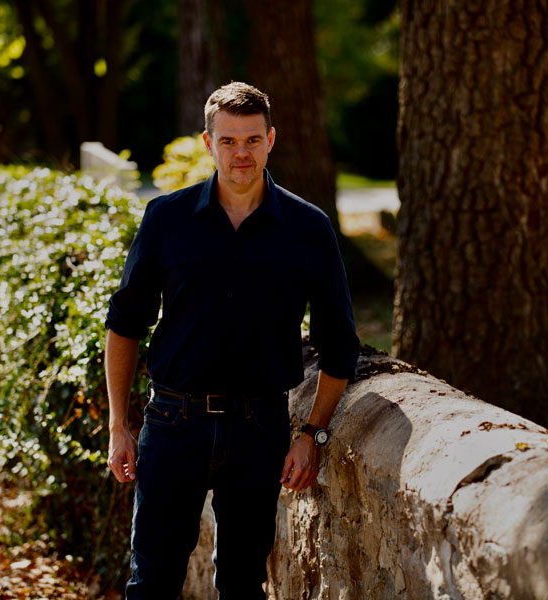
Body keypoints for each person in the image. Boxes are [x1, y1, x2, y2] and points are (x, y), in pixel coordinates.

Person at [104, 81, 360, 600]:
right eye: (227, 141)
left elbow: (339, 344)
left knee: (243, 584)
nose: (240, 153)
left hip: (258, 427)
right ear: (207, 143)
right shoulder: (166, 220)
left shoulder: (309, 228)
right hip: (172, 423)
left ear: (271, 140)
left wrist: (313, 434)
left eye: (250, 140)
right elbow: (125, 323)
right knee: (150, 581)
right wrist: (117, 425)